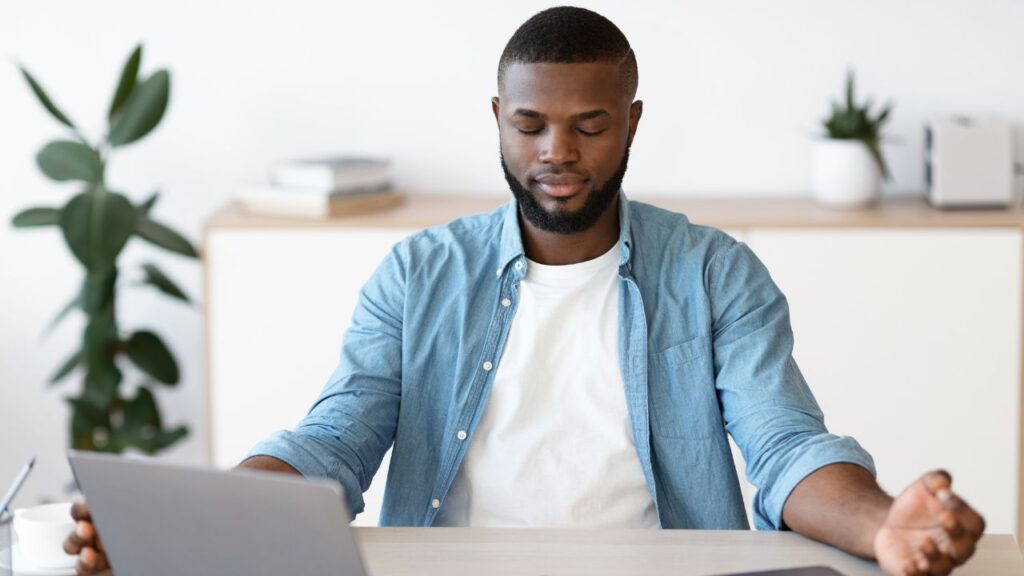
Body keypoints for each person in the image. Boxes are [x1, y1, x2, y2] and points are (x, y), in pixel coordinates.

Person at [64, 6, 985, 576]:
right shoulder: (420, 274)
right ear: (497, 120)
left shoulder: (714, 271)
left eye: (588, 125)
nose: (557, 152)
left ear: (630, 124)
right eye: (532, 124)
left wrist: (881, 525)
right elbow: (335, 442)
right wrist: (201, 530)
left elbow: (785, 446)